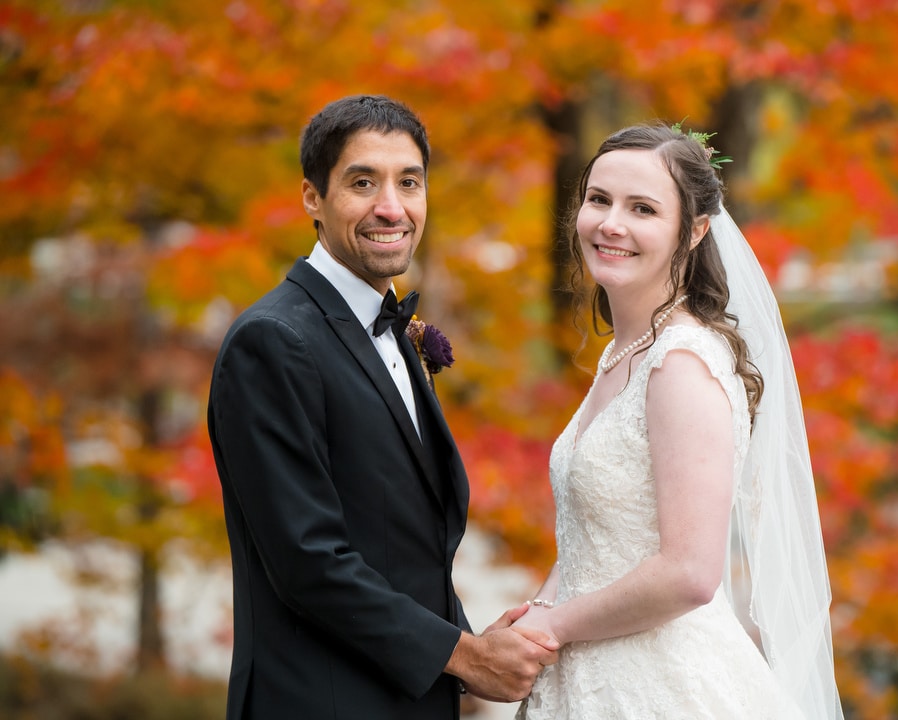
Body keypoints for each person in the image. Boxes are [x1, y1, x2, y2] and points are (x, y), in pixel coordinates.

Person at [208, 94, 558, 720]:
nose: (390, 208)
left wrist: (471, 641)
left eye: (409, 182)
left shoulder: (393, 328)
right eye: (362, 182)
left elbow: (397, 545)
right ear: (313, 197)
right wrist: (468, 657)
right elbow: (308, 561)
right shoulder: (273, 342)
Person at [513, 123, 843, 719]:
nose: (611, 223)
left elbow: (690, 573)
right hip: (588, 672)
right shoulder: (625, 353)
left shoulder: (681, 364)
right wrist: (529, 623)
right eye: (598, 200)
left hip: (660, 687)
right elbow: (594, 538)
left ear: (693, 231)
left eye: (642, 208)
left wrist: (555, 625)